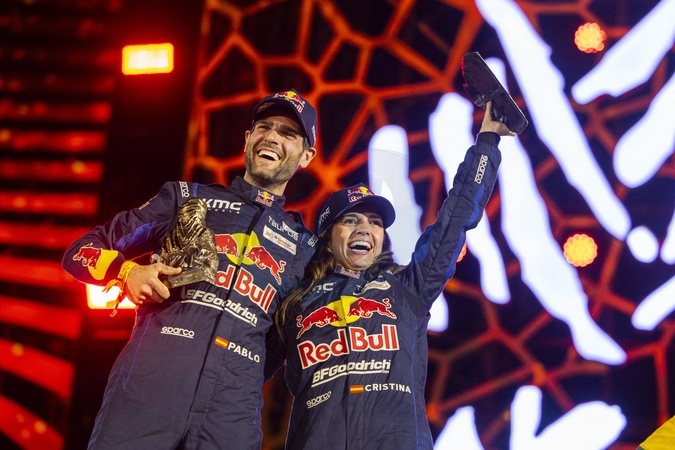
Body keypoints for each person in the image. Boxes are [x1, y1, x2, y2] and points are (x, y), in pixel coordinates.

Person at [62, 89, 318, 449]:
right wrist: (126, 273)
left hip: (233, 412)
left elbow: (280, 343)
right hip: (149, 390)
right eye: (264, 127)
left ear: (306, 156)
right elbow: (79, 251)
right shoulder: (186, 198)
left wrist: (238, 372)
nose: (272, 137)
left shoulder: (305, 248)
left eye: (288, 133)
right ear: (248, 139)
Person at [271, 102, 514, 449]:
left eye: (375, 222)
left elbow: (455, 218)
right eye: (350, 220)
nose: (365, 229)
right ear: (327, 238)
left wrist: (488, 141)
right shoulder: (293, 302)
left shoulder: (407, 287)